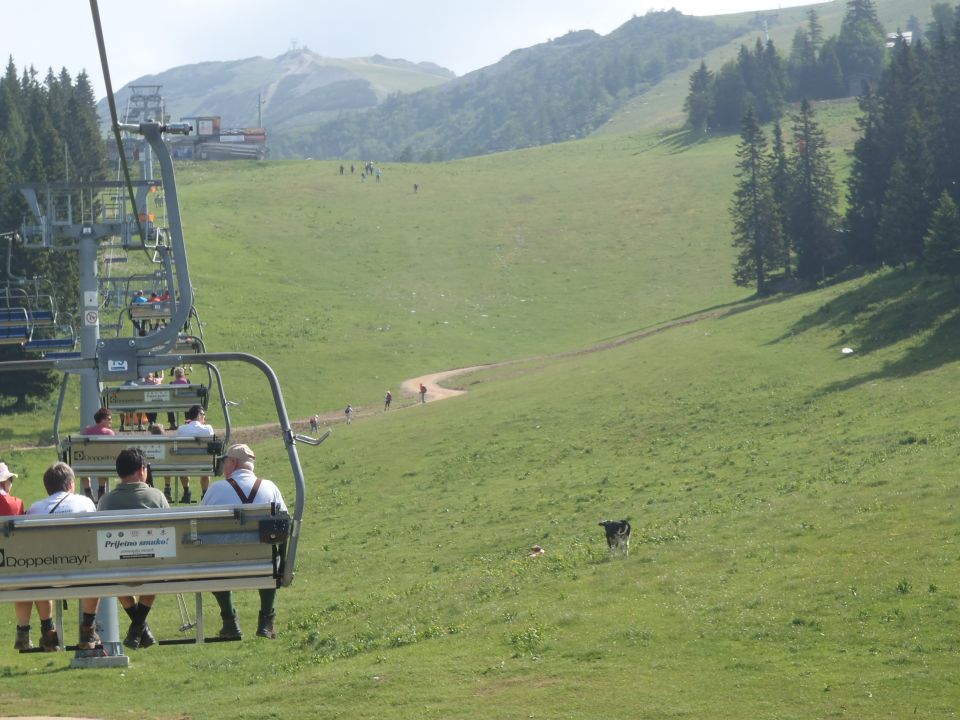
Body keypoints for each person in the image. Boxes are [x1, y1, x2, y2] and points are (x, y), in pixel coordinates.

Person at [201, 444, 286, 640]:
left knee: (213, 558)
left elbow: (200, 523)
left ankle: (229, 620)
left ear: (233, 463)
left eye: (225, 462)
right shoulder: (270, 487)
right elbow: (285, 525)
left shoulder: (216, 489)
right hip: (263, 564)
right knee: (269, 554)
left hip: (223, 564)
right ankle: (266, 620)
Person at [15, 463, 100, 651]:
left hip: (47, 573)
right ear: (71, 484)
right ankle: (88, 628)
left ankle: (48, 631)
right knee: (95, 574)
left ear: (47, 487)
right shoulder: (85, 503)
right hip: (82, 571)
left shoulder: (36, 509)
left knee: (38, 572)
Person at [98, 448, 169, 649]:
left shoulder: (106, 501)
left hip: (117, 571)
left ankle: (138, 625)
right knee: (159, 562)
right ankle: (139, 625)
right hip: (153, 568)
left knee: (113, 562)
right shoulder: (156, 497)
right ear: (141, 469)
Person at [173, 404, 215, 503]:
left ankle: (186, 492)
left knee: (182, 463)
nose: (204, 417)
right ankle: (205, 494)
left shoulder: (181, 429)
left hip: (185, 462)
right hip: (204, 462)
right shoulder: (208, 429)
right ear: (199, 415)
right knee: (206, 463)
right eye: (203, 414)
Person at [82, 407, 115, 500]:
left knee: (84, 470)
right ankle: (101, 491)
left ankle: (88, 491)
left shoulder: (87, 431)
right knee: (103, 463)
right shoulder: (109, 433)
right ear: (103, 420)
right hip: (104, 462)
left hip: (87, 461)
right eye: (109, 419)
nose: (111, 421)